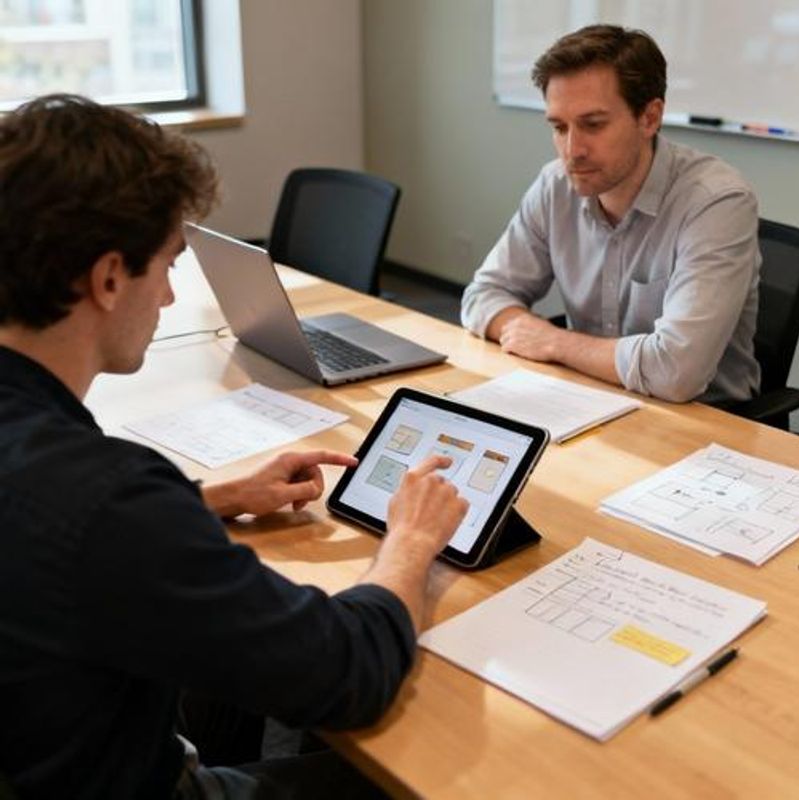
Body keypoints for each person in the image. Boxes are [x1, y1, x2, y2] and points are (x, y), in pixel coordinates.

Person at [0, 95, 468, 800]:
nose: (167, 297)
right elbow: (347, 673)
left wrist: (202, 500)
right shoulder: (108, 498)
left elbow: (49, 527)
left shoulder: (63, 475)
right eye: (167, 265)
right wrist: (410, 540)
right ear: (108, 278)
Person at [461, 24, 760, 404]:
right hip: (589, 397)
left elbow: (676, 372)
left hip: (703, 421)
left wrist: (553, 342)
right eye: (559, 127)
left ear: (649, 118)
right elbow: (483, 295)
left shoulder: (717, 202)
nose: (572, 151)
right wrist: (530, 331)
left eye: (593, 125)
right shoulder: (555, 185)